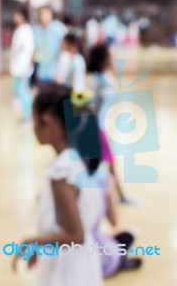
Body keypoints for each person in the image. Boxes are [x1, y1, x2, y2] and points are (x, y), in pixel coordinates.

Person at [13, 83, 104, 286]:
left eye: (34, 120)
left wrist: (33, 242)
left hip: (68, 270)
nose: (33, 127)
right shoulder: (79, 160)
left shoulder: (61, 171)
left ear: (47, 121)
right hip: (84, 262)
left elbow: (75, 234)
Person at [87, 44, 138, 204]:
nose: (112, 58)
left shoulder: (105, 77)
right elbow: (88, 106)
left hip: (99, 126)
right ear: (102, 60)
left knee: (93, 165)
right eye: (109, 55)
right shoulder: (96, 80)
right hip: (95, 128)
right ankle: (121, 196)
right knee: (104, 164)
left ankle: (119, 195)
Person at [10, 6, 35, 122]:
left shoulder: (26, 30)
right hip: (17, 66)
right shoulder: (19, 29)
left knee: (24, 90)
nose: (15, 17)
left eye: (17, 15)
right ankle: (26, 113)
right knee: (19, 90)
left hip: (23, 67)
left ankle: (28, 113)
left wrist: (28, 65)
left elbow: (29, 49)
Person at [33, 5, 67, 86]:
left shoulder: (59, 29)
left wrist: (61, 71)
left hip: (56, 73)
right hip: (41, 73)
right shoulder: (36, 30)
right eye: (42, 14)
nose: (44, 16)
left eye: (47, 13)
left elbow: (64, 51)